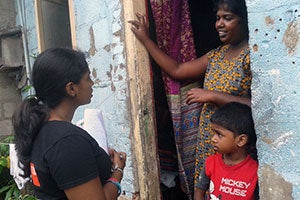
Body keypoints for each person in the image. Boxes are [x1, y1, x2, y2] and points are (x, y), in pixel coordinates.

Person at [129, 0, 251, 195]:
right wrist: (146, 40)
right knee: (205, 190)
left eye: (227, 18)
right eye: (218, 18)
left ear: (244, 20)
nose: (219, 24)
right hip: (209, 140)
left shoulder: (251, 55)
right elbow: (177, 70)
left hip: (235, 145)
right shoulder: (217, 55)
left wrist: (212, 96)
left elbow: (255, 105)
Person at [12, 48, 126, 200]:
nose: (92, 83)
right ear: (71, 88)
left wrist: (98, 161)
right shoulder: (66, 141)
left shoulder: (43, 130)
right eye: (88, 78)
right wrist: (118, 172)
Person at [194, 102, 258, 200]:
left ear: (241, 140)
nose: (213, 139)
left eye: (219, 134)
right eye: (214, 133)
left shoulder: (255, 171)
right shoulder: (211, 162)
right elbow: (199, 192)